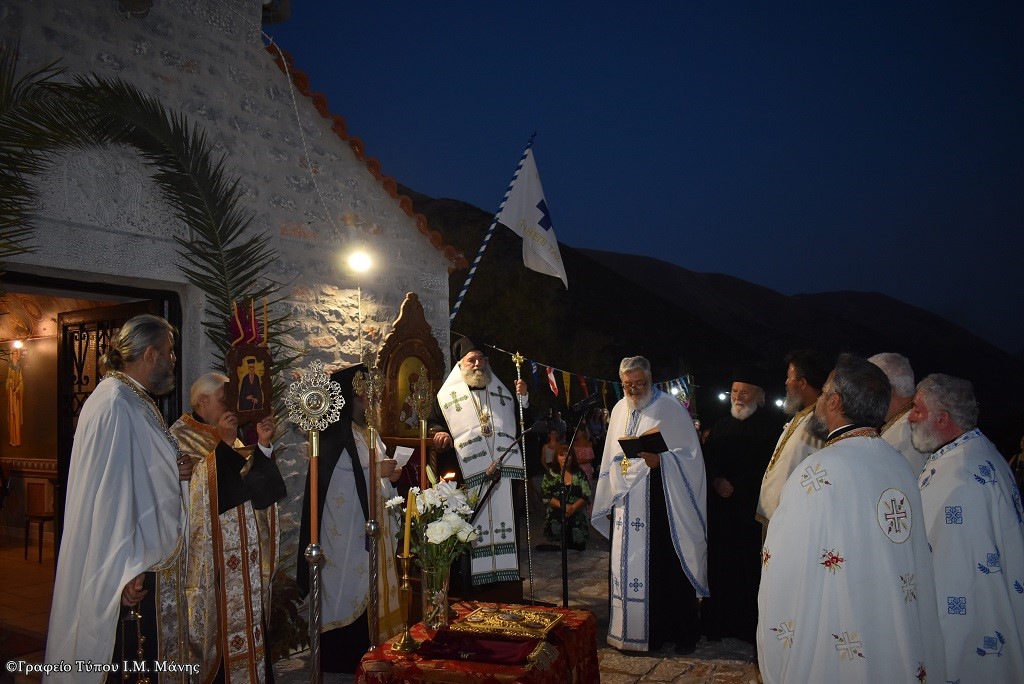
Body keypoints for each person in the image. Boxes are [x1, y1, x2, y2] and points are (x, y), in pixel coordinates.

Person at [757, 354, 945, 683]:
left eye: (825, 392)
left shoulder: (817, 473)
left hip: (836, 628)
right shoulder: (898, 463)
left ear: (835, 401)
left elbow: (783, 565)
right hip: (889, 625)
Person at [46, 314, 193, 683]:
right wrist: (126, 568)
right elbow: (113, 495)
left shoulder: (128, 397)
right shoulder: (116, 403)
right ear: (150, 354)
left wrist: (174, 470)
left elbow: (138, 475)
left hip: (139, 555)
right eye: (170, 352)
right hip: (130, 563)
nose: (173, 359)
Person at [170, 372, 285, 683]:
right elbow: (191, 498)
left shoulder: (229, 435)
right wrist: (221, 445)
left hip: (244, 564)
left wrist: (261, 446)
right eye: (224, 399)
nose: (231, 406)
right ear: (203, 401)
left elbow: (251, 489)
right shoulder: (179, 437)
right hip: (214, 563)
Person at [909, 374, 1024, 681]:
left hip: (966, 622)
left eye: (917, 410)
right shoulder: (974, 451)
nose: (910, 417)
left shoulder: (963, 472)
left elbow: (953, 568)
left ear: (943, 418)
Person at [591, 356, 707, 655]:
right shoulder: (618, 409)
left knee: (664, 569)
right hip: (626, 503)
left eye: (639, 383)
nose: (634, 389)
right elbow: (610, 457)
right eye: (628, 384)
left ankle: (669, 632)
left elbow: (691, 458)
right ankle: (627, 631)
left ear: (650, 379)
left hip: (661, 504)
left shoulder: (669, 408)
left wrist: (662, 461)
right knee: (625, 565)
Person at [297, 364, 404, 673]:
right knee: (344, 585)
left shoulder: (367, 432)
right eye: (363, 397)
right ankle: (341, 655)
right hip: (343, 529)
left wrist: (388, 474)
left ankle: (372, 645)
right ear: (348, 397)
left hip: (368, 524)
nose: (369, 403)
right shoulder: (333, 434)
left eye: (371, 397)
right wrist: (376, 471)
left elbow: (374, 470)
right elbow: (339, 478)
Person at [430, 337, 529, 587]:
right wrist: (438, 432)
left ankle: (504, 583)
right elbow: (433, 422)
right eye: (471, 360)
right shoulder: (446, 396)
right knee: (468, 530)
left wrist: (524, 398)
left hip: (501, 477)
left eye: (481, 359)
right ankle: (468, 585)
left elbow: (520, 421)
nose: (477, 364)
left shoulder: (501, 391)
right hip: (465, 474)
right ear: (461, 365)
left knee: (505, 523)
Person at [701, 369, 783, 644]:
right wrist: (716, 481)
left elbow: (769, 468)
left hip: (748, 512)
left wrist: (737, 485)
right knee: (719, 567)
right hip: (721, 513)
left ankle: (746, 626)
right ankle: (717, 623)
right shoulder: (721, 425)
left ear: (758, 397)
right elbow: (707, 460)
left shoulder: (771, 428)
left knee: (748, 570)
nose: (738, 397)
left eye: (744, 392)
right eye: (734, 392)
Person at [756, 349, 830, 534]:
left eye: (789, 377)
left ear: (802, 383)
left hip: (795, 520)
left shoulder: (820, 419)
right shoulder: (802, 414)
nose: (786, 382)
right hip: (777, 514)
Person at [868, 352, 929, 473]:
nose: (863, 396)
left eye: (867, 388)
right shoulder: (911, 420)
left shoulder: (904, 436)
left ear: (887, 389)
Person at [542, 444, 592, 551]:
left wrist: (572, 508)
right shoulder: (550, 474)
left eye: (568, 455)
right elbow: (546, 496)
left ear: (572, 457)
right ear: (556, 457)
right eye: (561, 455)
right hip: (556, 517)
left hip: (576, 517)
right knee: (556, 554)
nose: (565, 458)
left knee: (578, 553)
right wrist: (564, 507)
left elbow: (587, 493)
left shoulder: (579, 473)